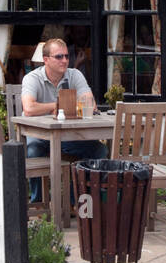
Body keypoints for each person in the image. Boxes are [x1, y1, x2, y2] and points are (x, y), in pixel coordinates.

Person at [20, 37, 105, 201]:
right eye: (59, 56)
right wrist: (58, 105)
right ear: (46, 60)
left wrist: (73, 104)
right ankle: (37, 202)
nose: (65, 60)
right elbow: (29, 109)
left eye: (66, 56)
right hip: (39, 136)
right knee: (32, 151)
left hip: (68, 136)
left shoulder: (75, 75)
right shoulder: (32, 78)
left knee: (99, 150)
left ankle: (74, 199)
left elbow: (90, 105)